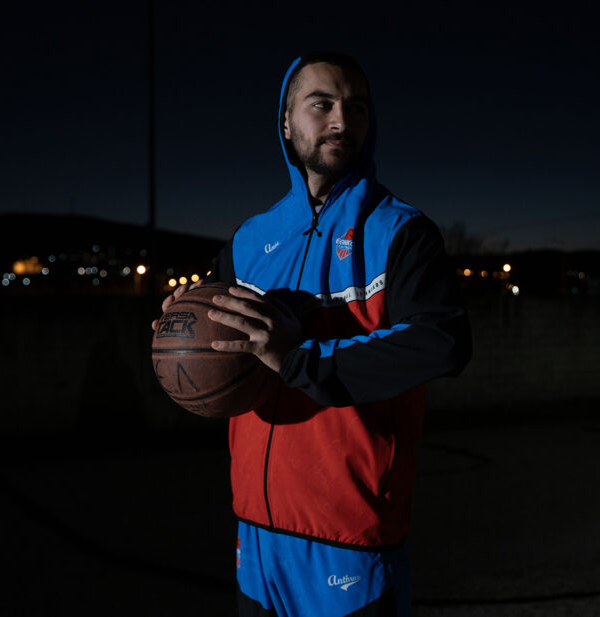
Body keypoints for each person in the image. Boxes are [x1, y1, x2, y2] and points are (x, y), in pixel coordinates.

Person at [153, 52, 472, 617]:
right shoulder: (248, 241)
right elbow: (215, 340)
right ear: (286, 122)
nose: (341, 121)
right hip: (255, 533)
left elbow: (442, 342)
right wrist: (183, 325)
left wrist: (298, 358)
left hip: (349, 539)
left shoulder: (399, 231)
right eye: (321, 104)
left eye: (356, 108)